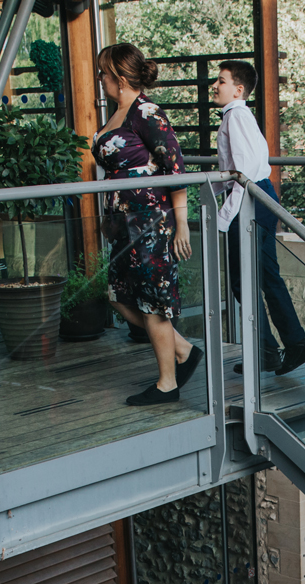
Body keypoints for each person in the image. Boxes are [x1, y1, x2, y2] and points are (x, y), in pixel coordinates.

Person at [93, 43, 202, 407]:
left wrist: (181, 223)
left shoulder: (147, 112)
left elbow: (175, 166)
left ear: (120, 78)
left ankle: (167, 383)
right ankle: (183, 348)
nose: (101, 80)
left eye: (103, 74)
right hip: (124, 223)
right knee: (119, 296)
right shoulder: (118, 112)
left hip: (151, 220)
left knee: (151, 300)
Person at [208, 59, 305, 377]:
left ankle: (271, 350)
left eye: (221, 81)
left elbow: (242, 175)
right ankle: (293, 345)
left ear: (238, 90)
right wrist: (209, 187)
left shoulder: (235, 118)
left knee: (244, 282)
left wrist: (223, 218)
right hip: (261, 198)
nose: (215, 85)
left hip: (250, 201)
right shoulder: (239, 116)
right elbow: (236, 171)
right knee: (267, 278)